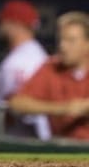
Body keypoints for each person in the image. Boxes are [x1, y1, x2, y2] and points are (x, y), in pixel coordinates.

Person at [9, 11, 89, 140]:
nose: (63, 46)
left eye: (71, 40)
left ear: (87, 44)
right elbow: (18, 103)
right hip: (63, 150)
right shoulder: (52, 67)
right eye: (61, 40)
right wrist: (64, 108)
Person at [0, 0, 51, 140]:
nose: (0, 25)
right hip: (22, 134)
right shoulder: (33, 54)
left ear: (14, 23)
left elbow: (20, 106)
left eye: (3, 21)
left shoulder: (23, 61)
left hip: (26, 136)